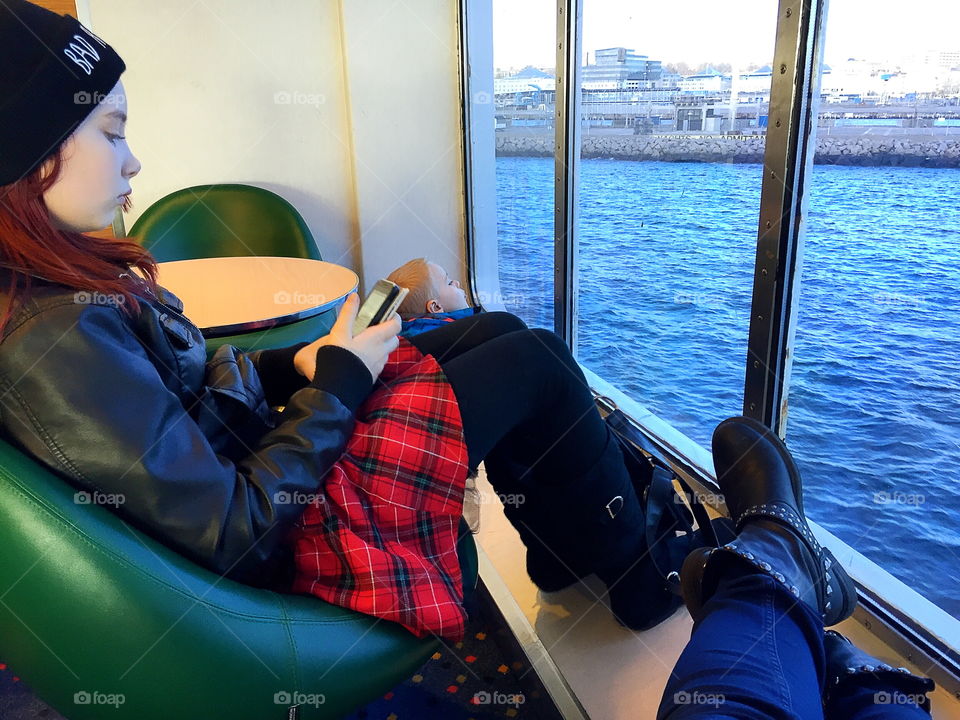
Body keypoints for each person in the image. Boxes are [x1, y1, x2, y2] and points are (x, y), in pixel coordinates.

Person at [0, 3, 937, 715]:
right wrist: (342, 381)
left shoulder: (61, 295)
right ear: (32, 154)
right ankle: (639, 574)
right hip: (296, 530)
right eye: (112, 133)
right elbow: (244, 527)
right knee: (528, 365)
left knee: (498, 337)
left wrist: (314, 364)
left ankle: (579, 550)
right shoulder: (55, 338)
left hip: (276, 460)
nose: (133, 164)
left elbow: (193, 407)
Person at [386, 257, 478, 337]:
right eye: (449, 283)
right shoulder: (452, 332)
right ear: (436, 307)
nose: (457, 283)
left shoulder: (405, 330)